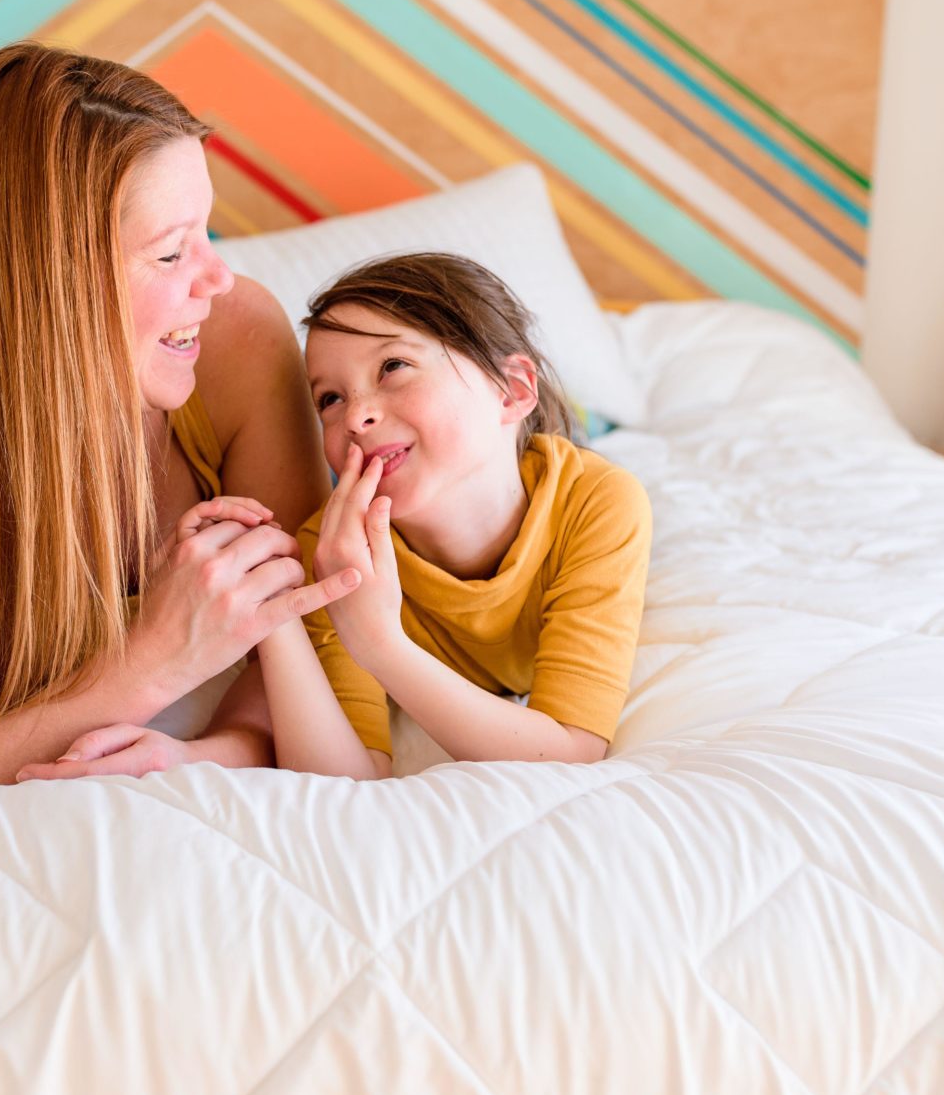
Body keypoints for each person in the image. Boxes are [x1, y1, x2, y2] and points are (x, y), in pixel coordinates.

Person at [0, 42, 357, 816]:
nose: (215, 278)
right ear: (53, 284)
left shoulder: (236, 339)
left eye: (207, 232)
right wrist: (142, 668)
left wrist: (205, 756)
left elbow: (298, 628)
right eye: (170, 251)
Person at [257, 252, 653, 779]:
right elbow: (345, 779)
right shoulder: (333, 553)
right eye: (329, 398)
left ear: (512, 390)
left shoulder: (598, 504)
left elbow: (571, 752)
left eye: (392, 367)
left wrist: (380, 644)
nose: (355, 416)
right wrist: (271, 616)